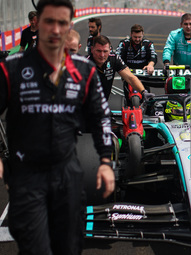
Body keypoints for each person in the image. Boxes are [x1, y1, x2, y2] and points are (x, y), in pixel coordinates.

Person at [0, 0, 114, 254]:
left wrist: (105, 161)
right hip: (27, 176)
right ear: (37, 23)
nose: (55, 29)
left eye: (61, 23)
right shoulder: (12, 67)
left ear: (70, 25)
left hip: (68, 174)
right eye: (49, 21)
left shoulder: (85, 71)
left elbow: (101, 118)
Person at [87, 35, 146, 101]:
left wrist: (143, 92)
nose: (102, 55)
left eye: (105, 51)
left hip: (102, 105)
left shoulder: (114, 58)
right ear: (92, 49)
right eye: (99, 51)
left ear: (110, 50)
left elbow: (130, 77)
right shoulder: (84, 63)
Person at [116, 24, 157, 102]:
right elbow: (117, 57)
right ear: (131, 35)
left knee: (147, 99)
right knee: (128, 98)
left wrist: (150, 65)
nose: (137, 39)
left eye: (139, 37)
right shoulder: (124, 44)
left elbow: (153, 55)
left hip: (144, 75)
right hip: (128, 74)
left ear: (143, 35)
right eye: (135, 37)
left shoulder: (148, 44)